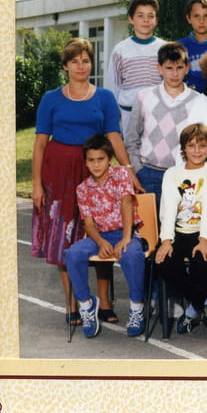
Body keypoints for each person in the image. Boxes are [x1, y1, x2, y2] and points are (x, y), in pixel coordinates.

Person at [32, 38, 140, 327]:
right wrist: (37, 184)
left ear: (92, 64)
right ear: (65, 66)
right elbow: (40, 144)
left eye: (86, 61)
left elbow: (114, 136)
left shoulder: (105, 97)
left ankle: (104, 301)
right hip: (58, 173)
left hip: (95, 169)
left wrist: (128, 169)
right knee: (64, 237)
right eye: (74, 61)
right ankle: (73, 302)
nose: (81, 66)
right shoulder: (51, 99)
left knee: (101, 232)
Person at [64, 135, 146, 338]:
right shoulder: (82, 188)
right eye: (91, 160)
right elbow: (88, 223)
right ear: (85, 162)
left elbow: (127, 203)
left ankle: (137, 307)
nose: (96, 164)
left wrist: (126, 237)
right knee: (72, 254)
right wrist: (100, 242)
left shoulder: (121, 174)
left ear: (109, 159)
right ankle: (86, 304)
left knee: (131, 253)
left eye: (100, 159)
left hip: (125, 232)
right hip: (99, 236)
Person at [155, 123, 207, 335]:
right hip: (178, 232)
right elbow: (168, 207)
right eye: (191, 145)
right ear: (183, 148)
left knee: (203, 262)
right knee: (163, 264)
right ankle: (204, 301)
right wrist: (166, 241)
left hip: (204, 231)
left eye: (202, 146)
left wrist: (204, 240)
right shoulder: (172, 173)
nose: (196, 151)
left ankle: (192, 311)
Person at [126, 42, 199, 203]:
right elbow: (132, 138)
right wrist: (138, 169)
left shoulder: (197, 101)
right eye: (169, 68)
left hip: (181, 174)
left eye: (179, 67)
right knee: (149, 220)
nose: (174, 73)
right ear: (159, 68)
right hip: (148, 173)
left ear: (187, 68)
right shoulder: (144, 96)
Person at [104, 0, 166, 136]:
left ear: (156, 20)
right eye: (140, 15)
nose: (146, 20)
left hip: (159, 115)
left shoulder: (164, 48)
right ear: (131, 19)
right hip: (129, 115)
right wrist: (113, 122)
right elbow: (113, 87)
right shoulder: (120, 50)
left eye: (150, 16)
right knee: (131, 150)